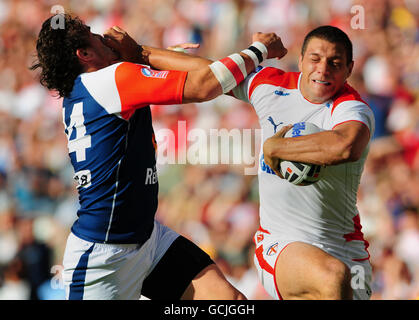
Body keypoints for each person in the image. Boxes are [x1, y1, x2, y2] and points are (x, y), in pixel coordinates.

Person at [30, 14, 287, 300]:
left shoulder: (84, 89)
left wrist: (142, 55)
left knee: (230, 302)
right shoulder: (111, 79)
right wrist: (259, 49)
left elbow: (202, 76)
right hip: (103, 258)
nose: (106, 36)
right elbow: (204, 85)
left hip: (147, 240)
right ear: (85, 54)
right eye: (95, 35)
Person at [232, 25, 375, 300]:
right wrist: (143, 55)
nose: (323, 70)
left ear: (349, 69)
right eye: (315, 59)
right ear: (300, 60)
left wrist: (277, 148)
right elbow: (205, 73)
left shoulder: (351, 108)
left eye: (335, 63)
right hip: (280, 243)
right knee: (331, 277)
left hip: (347, 254)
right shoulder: (269, 85)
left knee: (334, 275)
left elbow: (345, 146)